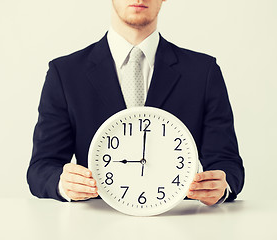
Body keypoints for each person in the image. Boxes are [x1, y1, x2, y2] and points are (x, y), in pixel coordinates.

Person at [27, 0, 244, 206]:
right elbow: (42, 167)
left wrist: (220, 186)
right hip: (95, 222)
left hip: (178, 221)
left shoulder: (202, 72)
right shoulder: (66, 73)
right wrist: (63, 183)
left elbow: (228, 163)